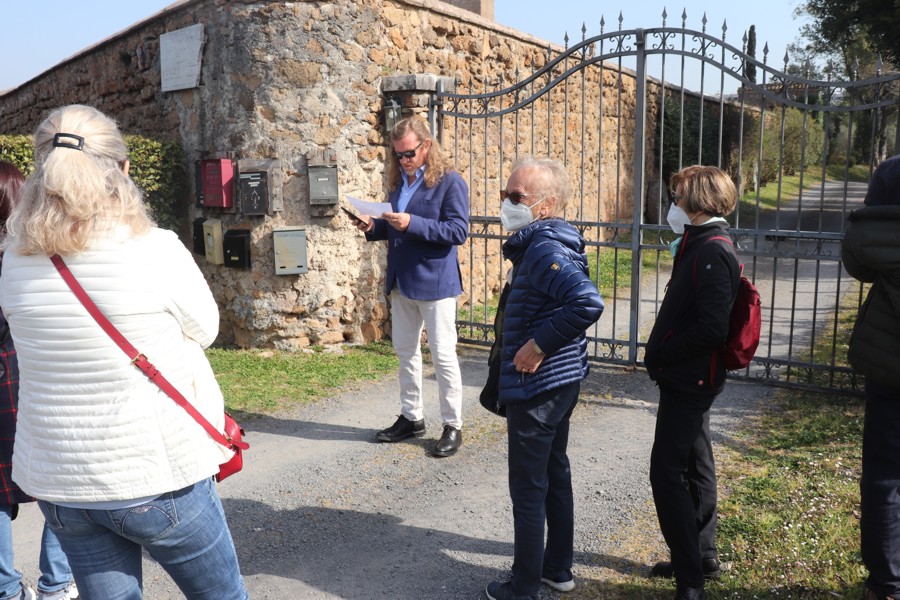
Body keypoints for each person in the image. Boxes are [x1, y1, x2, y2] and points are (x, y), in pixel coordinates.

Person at [0, 105, 248, 599]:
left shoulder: (15, 259)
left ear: (41, 173)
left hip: (62, 479)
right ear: (124, 170)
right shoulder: (154, 248)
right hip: (153, 472)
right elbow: (205, 330)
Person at [484, 157, 603, 600]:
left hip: (539, 386)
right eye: (505, 195)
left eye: (517, 197)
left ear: (546, 206)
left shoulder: (543, 249)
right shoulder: (544, 242)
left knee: (529, 489)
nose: (506, 203)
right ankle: (557, 569)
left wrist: (539, 345)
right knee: (555, 472)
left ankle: (524, 587)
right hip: (559, 381)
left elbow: (587, 302)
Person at [643, 165, 740, 600]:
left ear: (698, 202)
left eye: (678, 196)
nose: (673, 204)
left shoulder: (712, 249)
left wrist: (663, 352)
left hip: (691, 379)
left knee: (666, 472)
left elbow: (713, 328)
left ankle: (690, 580)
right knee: (697, 462)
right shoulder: (698, 242)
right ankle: (701, 557)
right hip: (687, 377)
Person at [355, 115, 469, 457]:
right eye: (398, 154)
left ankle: (453, 425)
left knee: (443, 355)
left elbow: (457, 231)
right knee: (406, 352)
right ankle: (412, 417)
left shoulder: (450, 182)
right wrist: (372, 226)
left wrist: (412, 223)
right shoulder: (398, 183)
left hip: (436, 283)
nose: (404, 160)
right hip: (401, 281)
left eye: (410, 153)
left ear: (427, 145)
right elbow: (394, 227)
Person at [0, 161, 78, 600]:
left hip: (13, 380)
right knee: (59, 477)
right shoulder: (32, 258)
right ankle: (57, 582)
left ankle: (6, 589)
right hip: (32, 377)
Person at [842, 155, 900, 600]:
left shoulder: (891, 173)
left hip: (891, 359)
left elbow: (858, 262)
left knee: (884, 474)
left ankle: (887, 585)